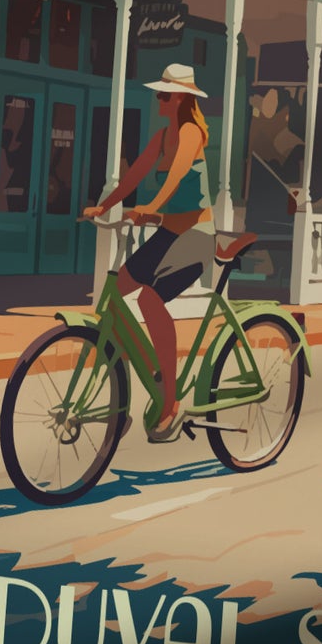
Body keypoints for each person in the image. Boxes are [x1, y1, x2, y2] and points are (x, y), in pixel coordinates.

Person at [82, 63, 214, 441]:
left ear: (182, 99)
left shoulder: (191, 133)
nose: (159, 99)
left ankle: (170, 401)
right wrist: (105, 206)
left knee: (151, 301)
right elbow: (133, 176)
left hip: (195, 235)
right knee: (116, 296)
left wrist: (152, 207)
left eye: (165, 94)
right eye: (159, 93)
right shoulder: (160, 137)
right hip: (167, 234)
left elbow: (175, 178)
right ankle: (118, 402)